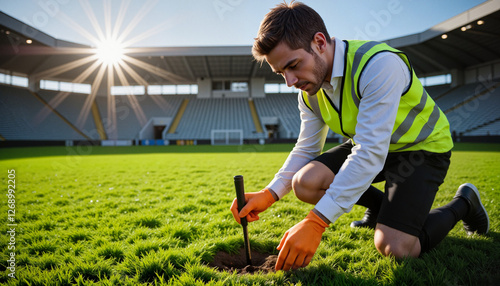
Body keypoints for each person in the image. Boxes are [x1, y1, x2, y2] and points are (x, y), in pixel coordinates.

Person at [230, 1, 490, 271]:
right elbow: (307, 148)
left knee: (396, 249)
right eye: (281, 72)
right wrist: (269, 194)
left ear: (320, 42)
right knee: (305, 183)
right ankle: (381, 210)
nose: (290, 81)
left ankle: (464, 203)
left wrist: (316, 223)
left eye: (293, 65)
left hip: (421, 149)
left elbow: (369, 153)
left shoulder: (379, 65)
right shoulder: (309, 92)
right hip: (373, 147)